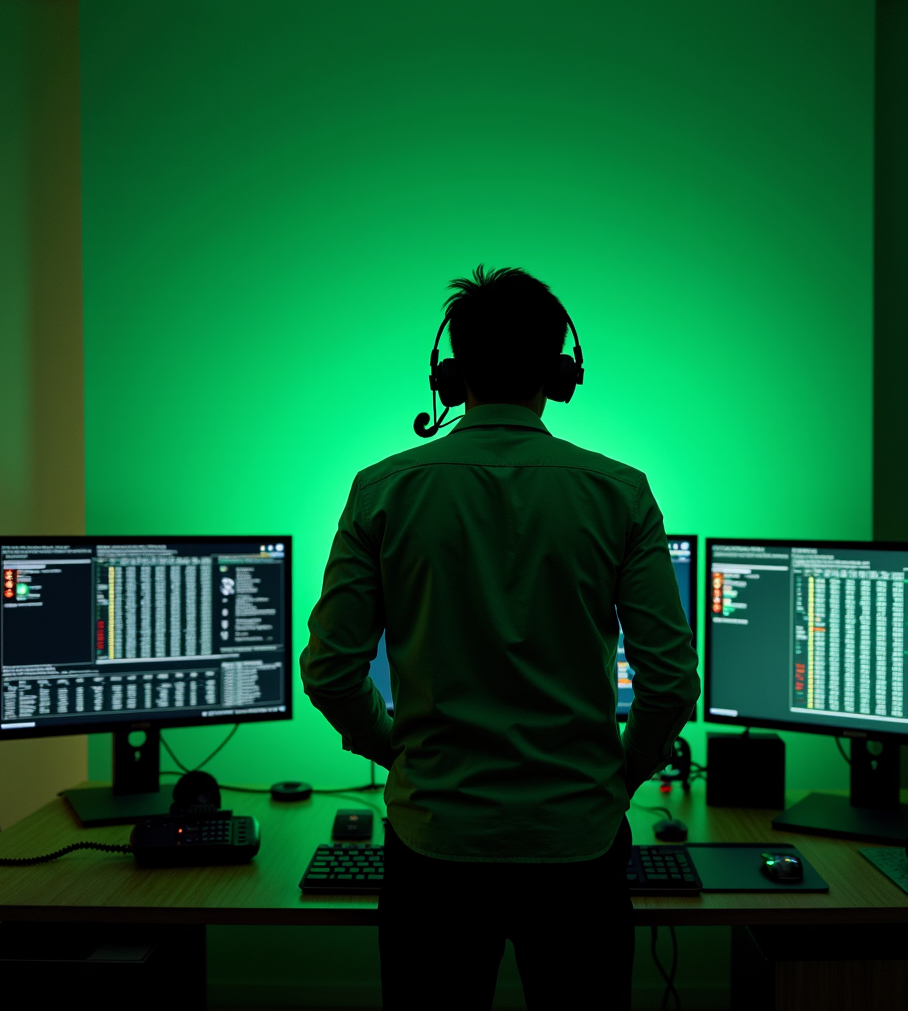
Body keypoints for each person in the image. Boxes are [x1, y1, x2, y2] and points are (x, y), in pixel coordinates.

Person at [300, 265, 700, 1010]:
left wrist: (395, 750)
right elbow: (672, 681)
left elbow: (329, 670)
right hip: (577, 847)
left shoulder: (384, 489)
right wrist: (619, 777)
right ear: (561, 373)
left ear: (449, 378)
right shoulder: (620, 493)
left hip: (436, 849)